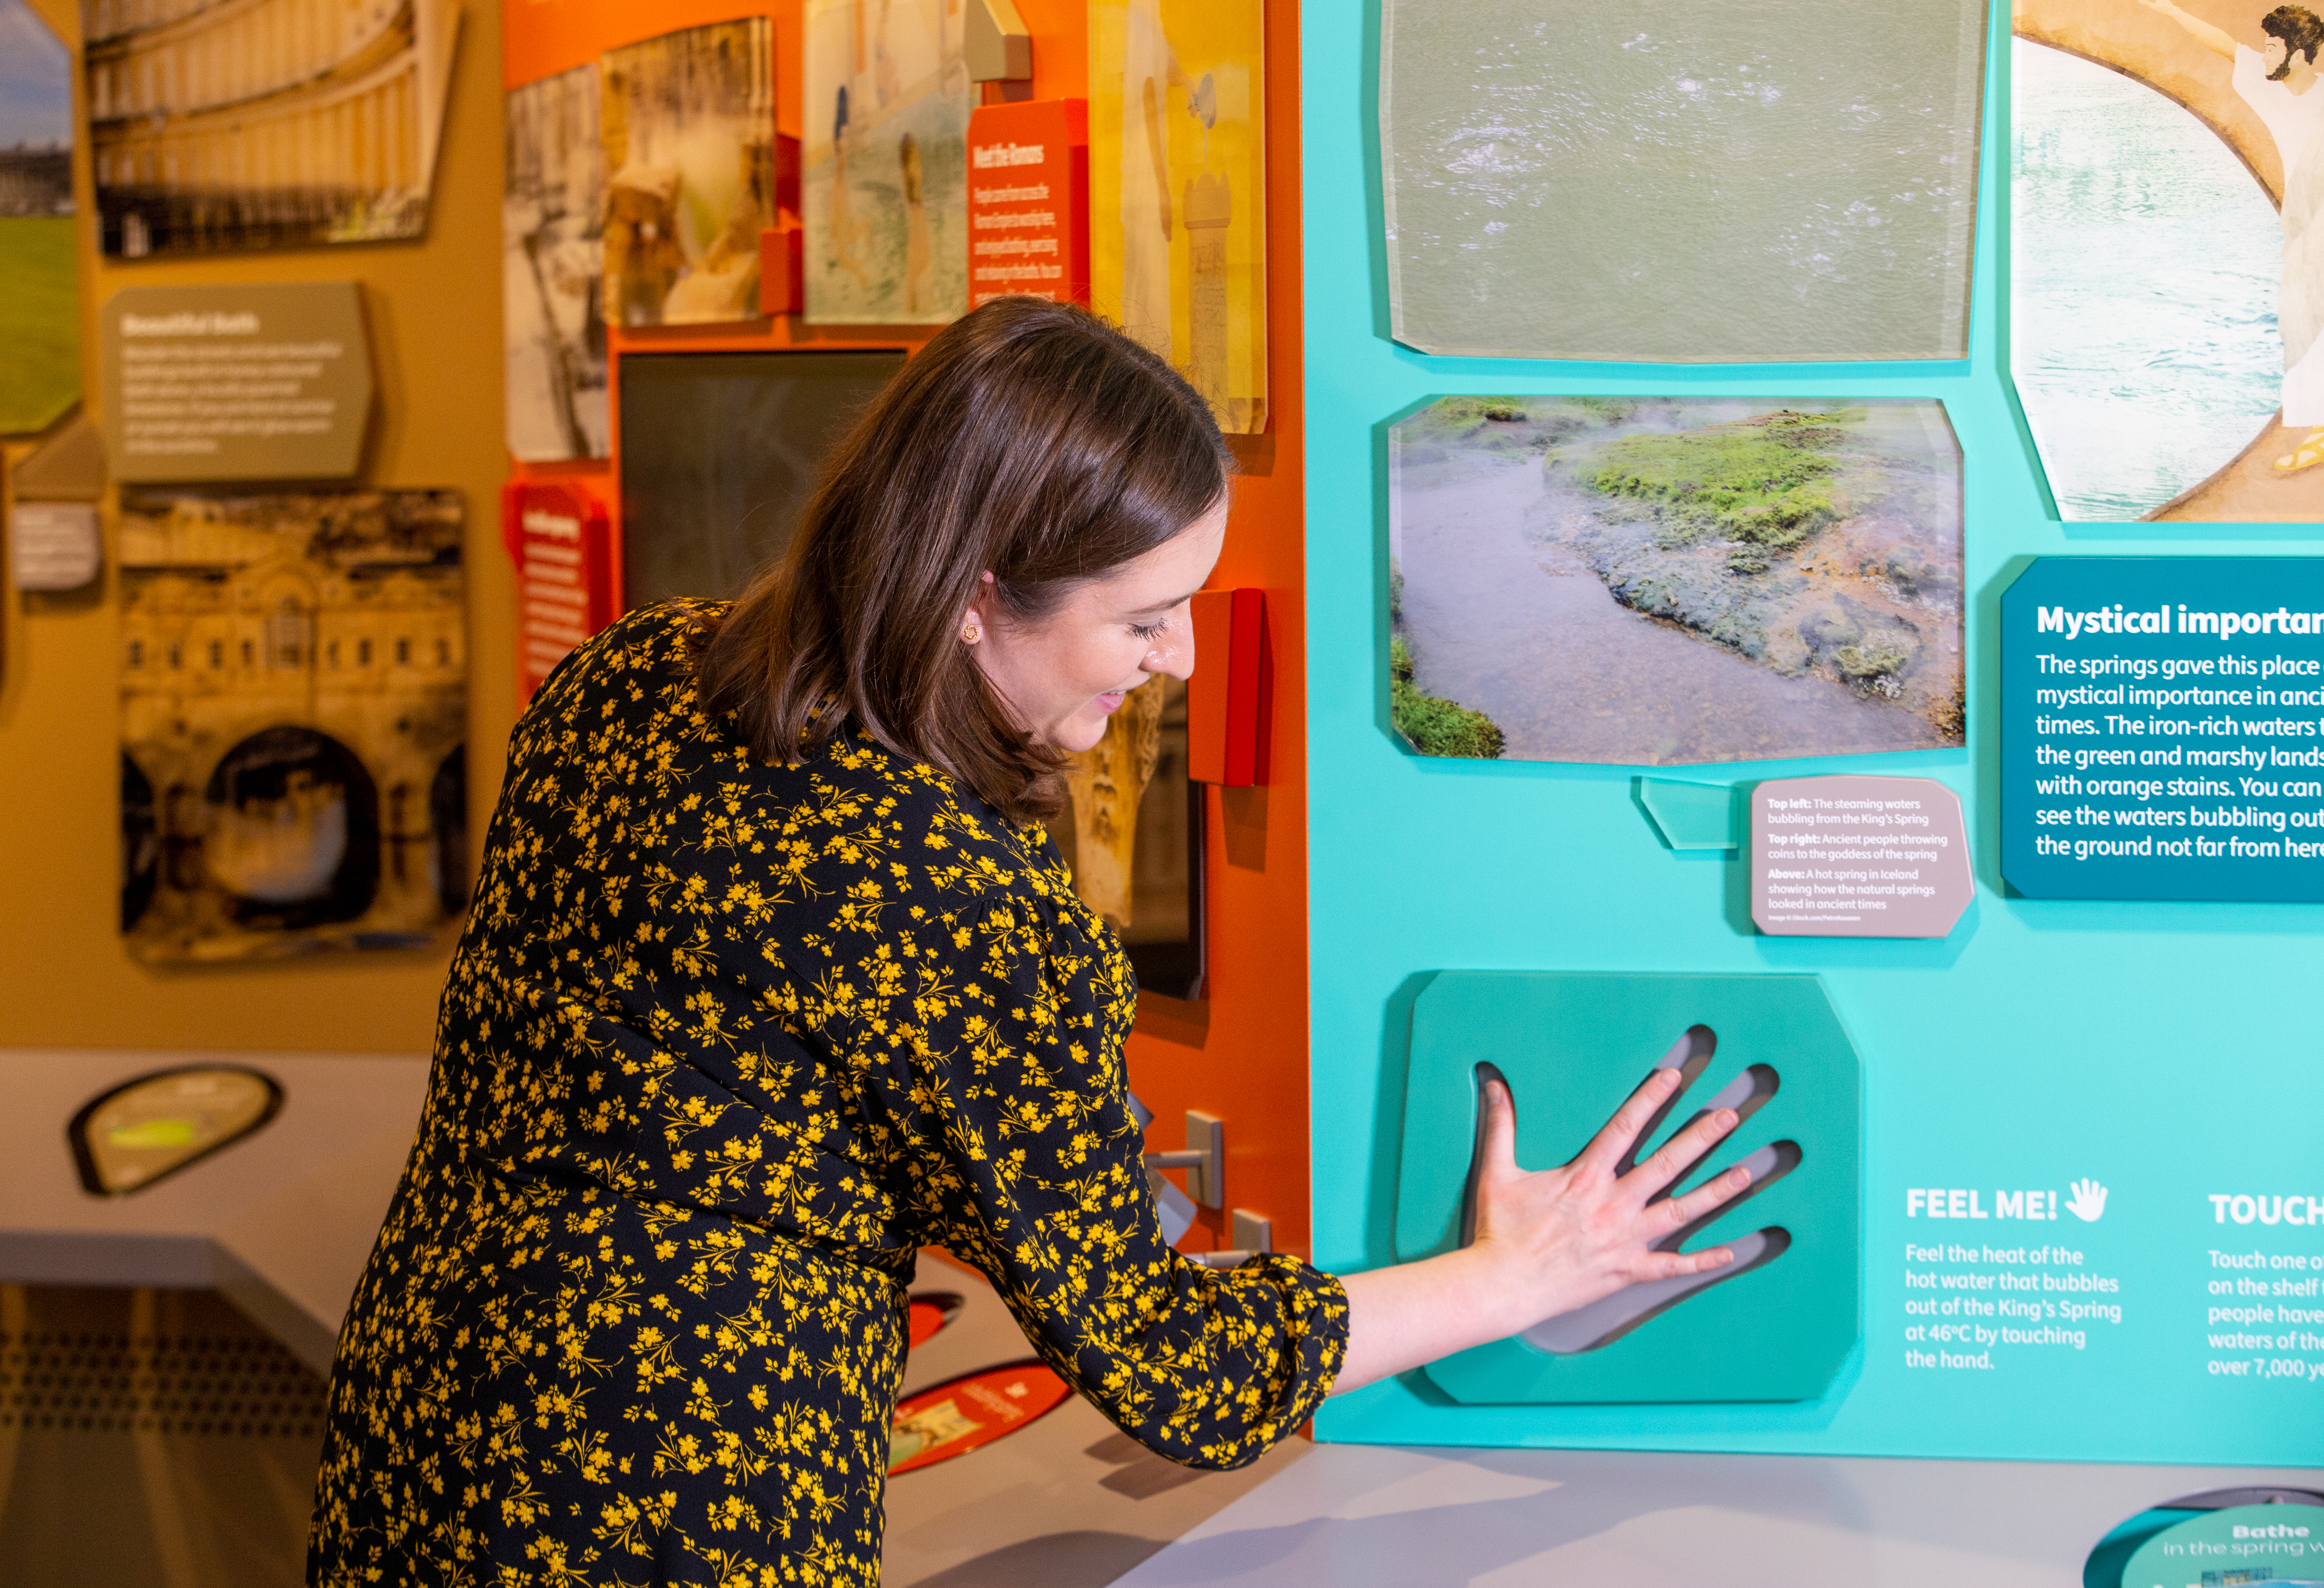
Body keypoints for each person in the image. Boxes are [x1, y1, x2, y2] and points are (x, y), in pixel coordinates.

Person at [306, 298, 1757, 1587]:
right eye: (1147, 615)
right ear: (975, 593)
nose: (1178, 659)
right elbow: (1164, 1369)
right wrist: (1522, 1272)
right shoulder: (954, 898)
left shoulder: (630, 677)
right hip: (674, 1505)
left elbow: (718, 1090)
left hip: (422, 1426)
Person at [2141, 1, 2324, 470]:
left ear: (2300, 55)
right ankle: (2315, 430)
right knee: (2297, 322)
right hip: (2304, 228)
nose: (2263, 56)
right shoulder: (2272, 92)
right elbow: (2224, 46)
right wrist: (2168, 10)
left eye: (2272, 48)